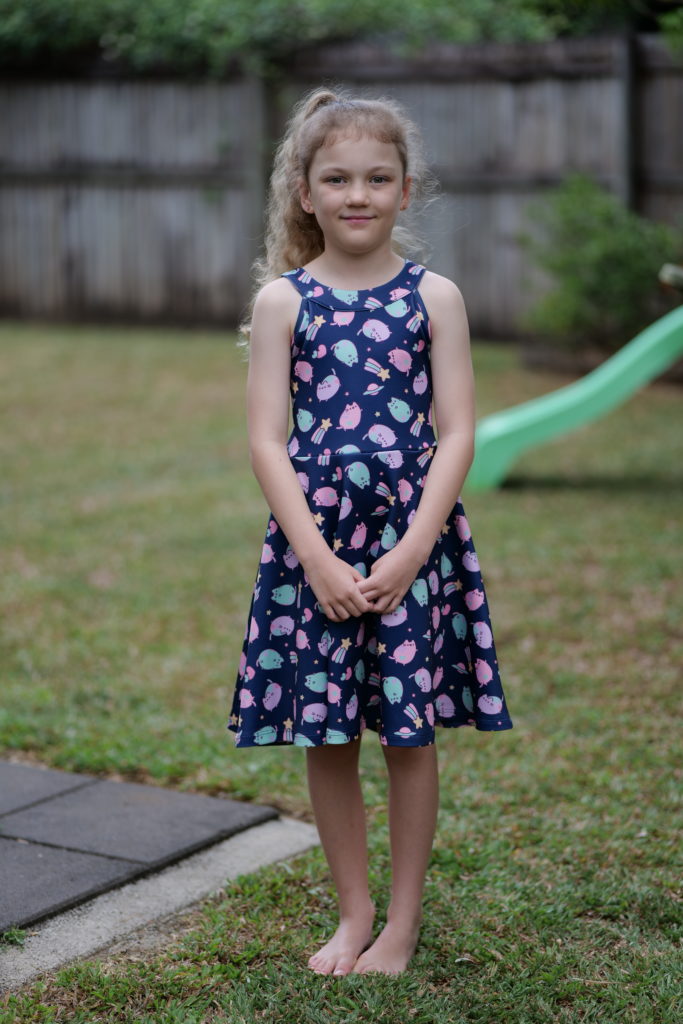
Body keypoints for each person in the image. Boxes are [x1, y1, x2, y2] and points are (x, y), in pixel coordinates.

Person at [227, 86, 513, 976]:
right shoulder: (284, 301)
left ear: (405, 188)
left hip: (409, 542)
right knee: (328, 731)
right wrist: (314, 557)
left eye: (377, 178)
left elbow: (458, 429)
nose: (358, 194)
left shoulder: (436, 298)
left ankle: (401, 924)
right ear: (304, 192)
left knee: (407, 730)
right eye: (338, 178)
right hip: (314, 544)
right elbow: (265, 440)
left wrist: (414, 546)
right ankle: (352, 916)